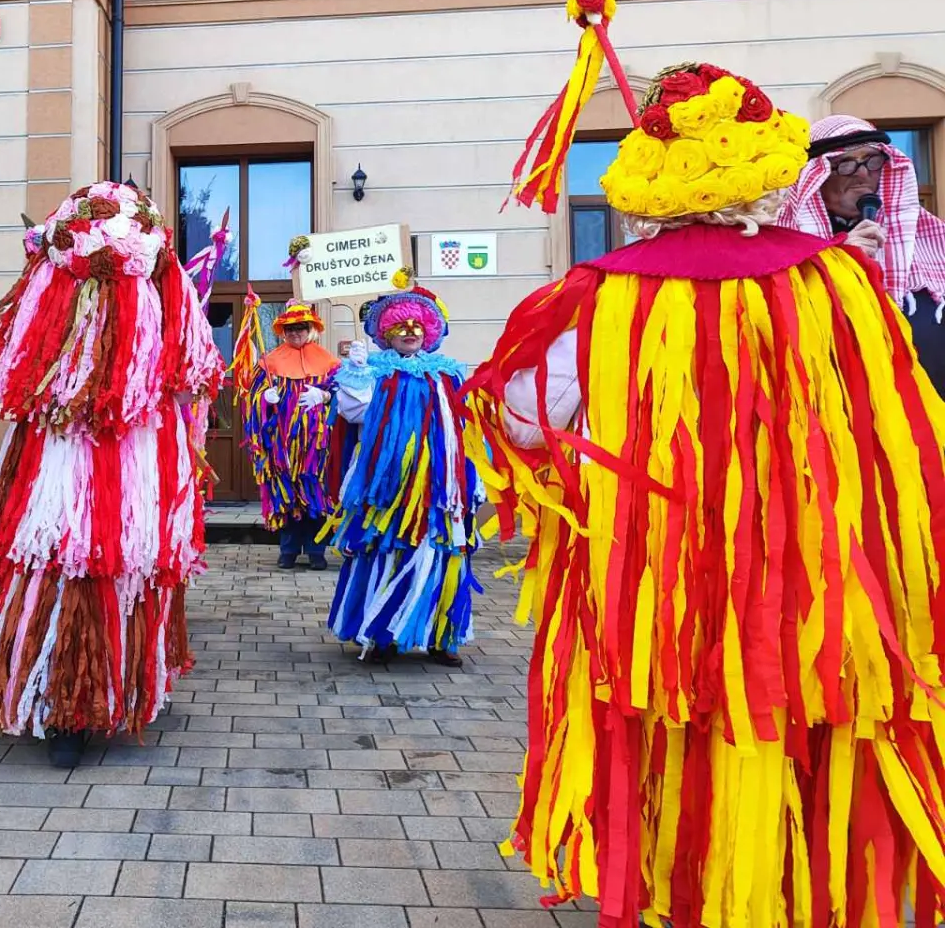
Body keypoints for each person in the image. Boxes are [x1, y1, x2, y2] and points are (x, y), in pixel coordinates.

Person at [465, 63, 945, 928]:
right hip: (807, 567)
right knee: (791, 708)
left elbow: (528, 423)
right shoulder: (837, 282)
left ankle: (692, 888)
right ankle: (782, 891)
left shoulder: (603, 293)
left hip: (657, 572)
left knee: (672, 720)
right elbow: (893, 429)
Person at [0, 181, 224, 768]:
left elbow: (187, 364)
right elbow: (32, 368)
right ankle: (61, 702)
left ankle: (117, 689)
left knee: (130, 566)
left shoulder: (155, 284)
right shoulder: (59, 286)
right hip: (66, 451)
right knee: (64, 565)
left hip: (139, 447)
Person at [325, 273, 481, 666]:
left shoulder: (448, 374)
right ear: (386, 333)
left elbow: (466, 426)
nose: (409, 332)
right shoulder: (376, 371)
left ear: (429, 332)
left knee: (444, 552)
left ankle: (441, 637)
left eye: (416, 326)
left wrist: (472, 478)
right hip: (388, 487)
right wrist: (356, 374)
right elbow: (352, 412)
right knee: (387, 549)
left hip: (441, 489)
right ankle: (382, 634)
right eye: (400, 326)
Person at [777, 113, 945, 395]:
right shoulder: (780, 243)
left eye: (872, 160)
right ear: (815, 176)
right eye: (846, 163)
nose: (863, 173)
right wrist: (836, 263)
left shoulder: (931, 237)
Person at [245, 301, 340, 570]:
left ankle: (316, 551)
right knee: (284, 493)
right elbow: (251, 398)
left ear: (310, 329)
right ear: (282, 332)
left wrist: (325, 395)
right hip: (281, 445)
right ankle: (287, 550)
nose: (295, 333)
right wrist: (263, 397)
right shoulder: (269, 361)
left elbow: (347, 398)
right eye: (290, 329)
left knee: (315, 493)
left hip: (317, 446)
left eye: (300, 328)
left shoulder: (329, 362)